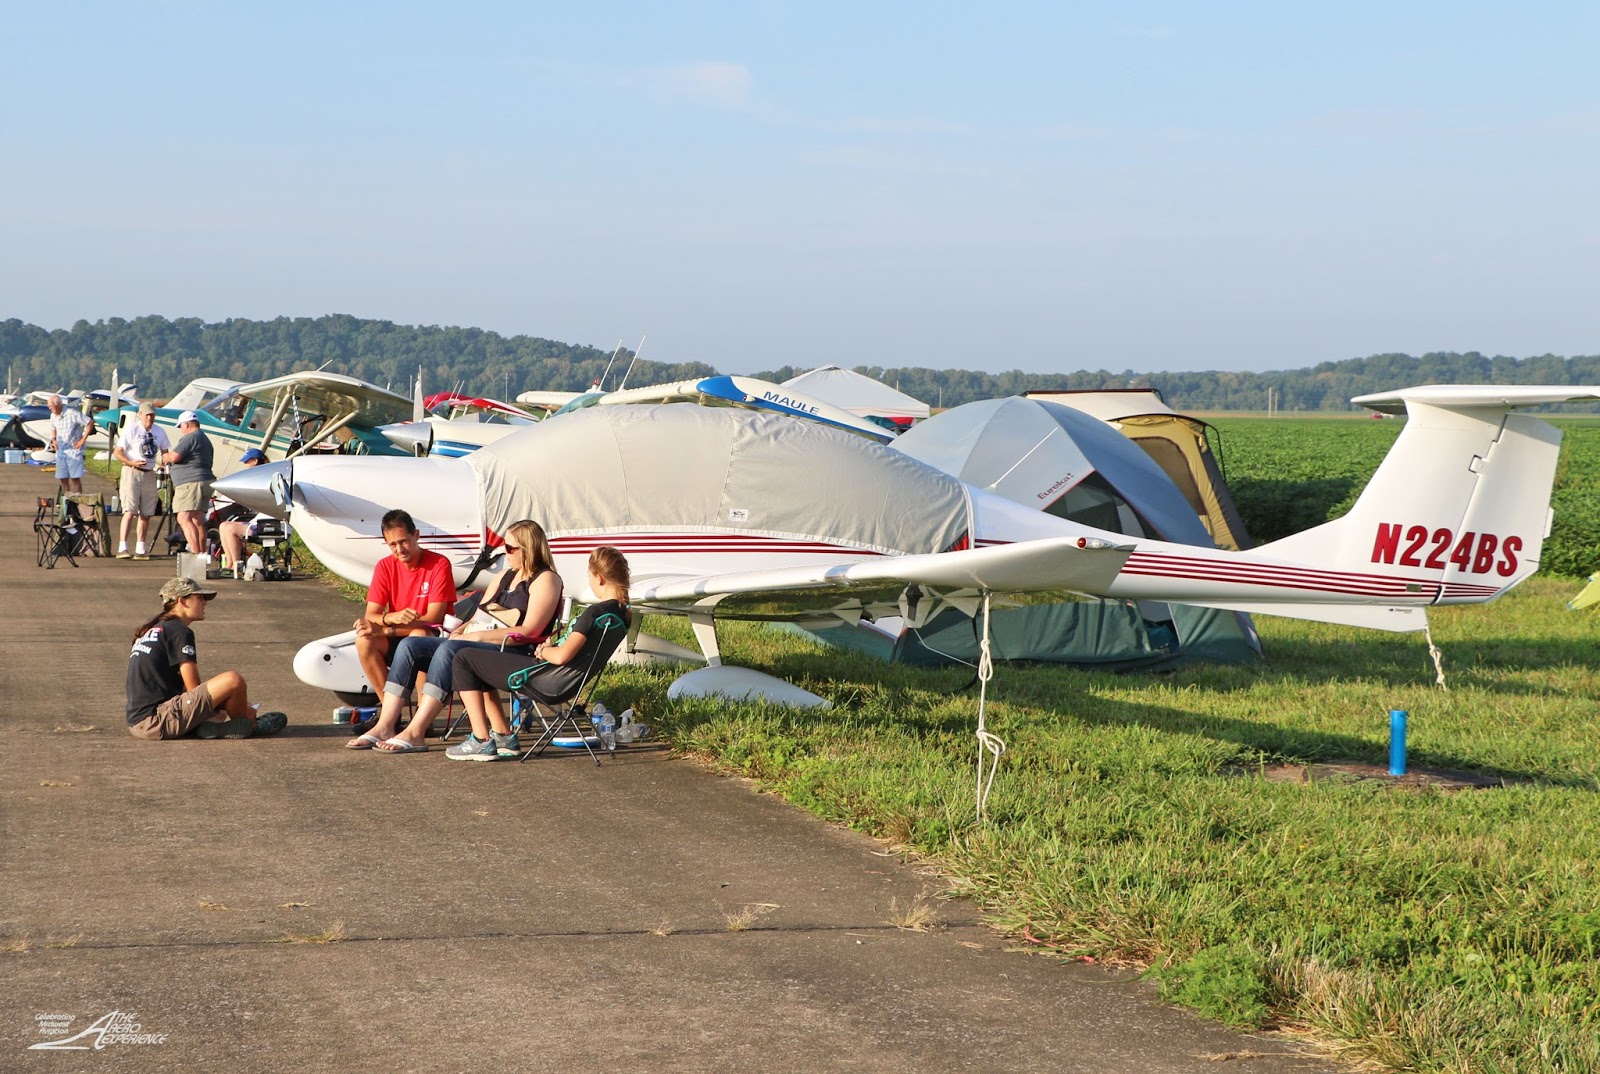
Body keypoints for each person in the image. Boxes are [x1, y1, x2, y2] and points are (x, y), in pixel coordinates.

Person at [352, 519, 565, 753]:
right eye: (505, 546)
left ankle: (416, 731)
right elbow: (477, 618)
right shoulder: (504, 576)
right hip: (486, 644)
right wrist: (460, 632)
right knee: (411, 645)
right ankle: (386, 724)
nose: (506, 553)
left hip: (517, 651)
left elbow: (530, 631)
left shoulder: (545, 579)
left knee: (452, 651)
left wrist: (474, 638)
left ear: (529, 548)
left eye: (511, 548)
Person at [443, 546, 631, 761]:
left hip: (547, 680)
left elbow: (561, 657)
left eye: (589, 576)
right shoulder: (622, 614)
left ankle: (480, 740)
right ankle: (503, 737)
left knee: (464, 658)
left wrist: (546, 649)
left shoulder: (594, 613)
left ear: (599, 578)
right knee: (479, 662)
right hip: (566, 680)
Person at [125, 576, 288, 740]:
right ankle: (249, 724)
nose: (205, 603)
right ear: (182, 601)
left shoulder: (155, 629)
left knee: (226, 698)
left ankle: (209, 728)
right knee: (233, 680)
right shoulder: (178, 632)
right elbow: (193, 689)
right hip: (157, 721)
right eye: (200, 598)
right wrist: (243, 709)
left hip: (141, 722)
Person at [352, 508, 457, 697]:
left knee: (418, 635)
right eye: (392, 545)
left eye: (403, 541)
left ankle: (423, 716)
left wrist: (384, 628)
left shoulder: (439, 564)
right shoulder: (384, 566)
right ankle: (389, 713)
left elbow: (433, 618)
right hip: (400, 634)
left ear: (416, 535)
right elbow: (371, 615)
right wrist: (391, 617)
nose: (399, 550)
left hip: (431, 637)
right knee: (364, 641)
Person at [113, 402, 172, 559]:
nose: (149, 418)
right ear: (140, 415)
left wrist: (164, 466)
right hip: (132, 471)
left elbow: (165, 452)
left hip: (149, 473)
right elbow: (118, 452)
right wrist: (130, 462)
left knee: (146, 512)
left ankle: (140, 548)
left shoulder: (159, 431)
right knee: (129, 510)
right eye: (146, 415)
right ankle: (123, 546)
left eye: (151, 415)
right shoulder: (132, 429)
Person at [161, 410, 215, 554]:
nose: (181, 430)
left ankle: (195, 554)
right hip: (205, 480)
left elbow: (175, 457)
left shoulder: (190, 437)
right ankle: (202, 554)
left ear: (187, 424)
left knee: (183, 518)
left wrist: (166, 456)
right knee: (197, 520)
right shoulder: (204, 438)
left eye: (181, 426)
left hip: (190, 483)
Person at [213, 448, 269, 575]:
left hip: (264, 523)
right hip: (256, 520)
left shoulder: (261, 479)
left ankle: (236, 564)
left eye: (247, 462)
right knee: (223, 526)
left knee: (230, 528)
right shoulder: (255, 477)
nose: (245, 465)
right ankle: (230, 563)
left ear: (255, 461)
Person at [46, 393, 90, 495]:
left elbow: (89, 422)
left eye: (51, 406)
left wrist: (82, 439)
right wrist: (54, 439)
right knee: (62, 478)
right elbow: (53, 427)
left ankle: (77, 500)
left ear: (58, 405)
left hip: (73, 450)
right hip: (61, 451)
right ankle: (66, 500)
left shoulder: (71, 413)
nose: (49, 409)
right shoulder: (53, 415)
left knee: (75, 478)